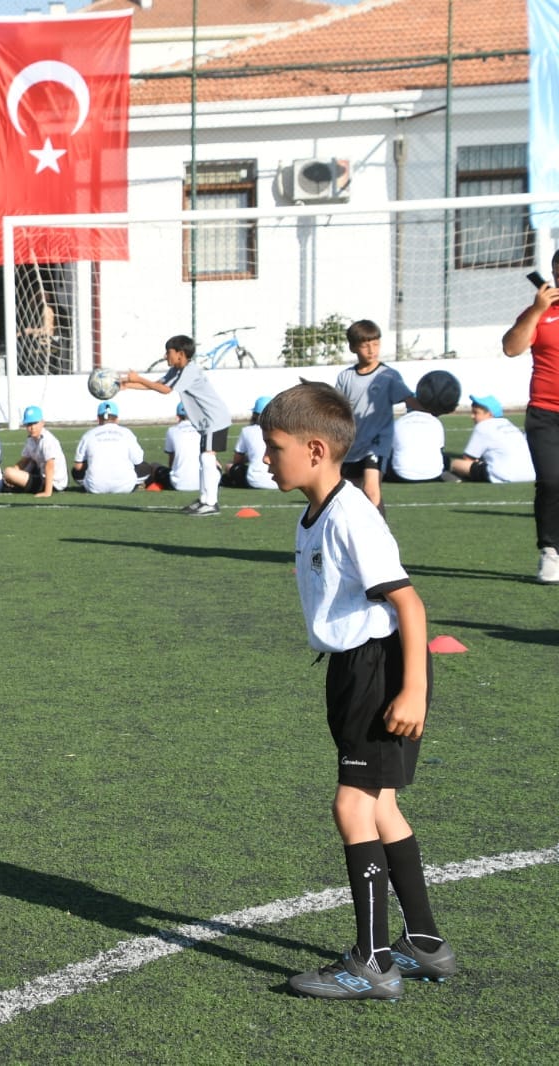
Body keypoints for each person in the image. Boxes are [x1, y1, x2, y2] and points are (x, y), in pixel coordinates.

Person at [258, 381, 455, 1001]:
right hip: (357, 669)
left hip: (379, 670)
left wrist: (413, 689)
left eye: (274, 446)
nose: (265, 458)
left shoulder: (351, 516)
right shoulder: (314, 510)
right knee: (381, 806)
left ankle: (373, 962)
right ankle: (423, 944)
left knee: (351, 806)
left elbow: (409, 602)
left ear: (315, 449)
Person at [119, 335, 231, 514]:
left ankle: (211, 502)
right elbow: (158, 384)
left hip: (214, 419)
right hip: (206, 422)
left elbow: (165, 390)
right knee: (204, 458)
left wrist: (138, 378)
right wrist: (128, 385)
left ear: (180, 354)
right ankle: (204, 500)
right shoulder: (178, 370)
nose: (165, 356)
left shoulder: (190, 370)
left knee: (207, 458)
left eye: (168, 352)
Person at [500, 257, 559, 583]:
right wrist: (537, 311)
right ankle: (550, 550)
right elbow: (511, 348)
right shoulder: (540, 311)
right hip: (545, 413)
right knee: (551, 481)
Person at [333, 319, 418, 511]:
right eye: (365, 345)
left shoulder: (388, 375)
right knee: (348, 495)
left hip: (378, 443)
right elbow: (337, 409)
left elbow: (409, 399)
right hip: (352, 443)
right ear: (353, 347)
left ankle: (382, 537)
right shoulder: (345, 377)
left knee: (372, 490)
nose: (371, 350)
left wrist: (429, 407)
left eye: (375, 344)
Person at [448, 395, 536, 483]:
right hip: (532, 474)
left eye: (475, 412)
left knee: (456, 464)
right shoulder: (508, 423)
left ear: (489, 414)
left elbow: (468, 459)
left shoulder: (483, 426)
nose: (472, 416)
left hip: (505, 475)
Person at [73, 401, 150, 494]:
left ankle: (90, 483)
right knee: (146, 467)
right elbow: (138, 461)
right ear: (117, 419)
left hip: (94, 487)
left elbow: (78, 466)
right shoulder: (127, 433)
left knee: (75, 471)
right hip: (125, 487)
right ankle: (137, 483)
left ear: (98, 418)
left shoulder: (88, 435)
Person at [2, 405, 67, 497]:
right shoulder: (31, 440)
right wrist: (11, 473)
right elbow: (24, 461)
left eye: (35, 423)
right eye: (29, 424)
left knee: (9, 472)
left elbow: (50, 466)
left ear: (42, 423)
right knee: (11, 472)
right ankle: (12, 482)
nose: (32, 427)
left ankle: (15, 484)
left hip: (53, 483)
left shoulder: (47, 440)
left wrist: (47, 492)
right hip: (41, 475)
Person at [223, 396, 280, 489]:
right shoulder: (283, 430)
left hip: (255, 480)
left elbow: (237, 460)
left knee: (230, 467)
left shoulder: (247, 431)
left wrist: (250, 457)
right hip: (280, 480)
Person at [385, 401, 447, 485]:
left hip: (401, 476)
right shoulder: (436, 422)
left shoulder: (398, 422)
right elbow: (441, 449)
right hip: (434, 475)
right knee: (445, 458)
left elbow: (390, 449)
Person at [148, 404, 203, 492]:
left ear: (177, 416)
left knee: (154, 466)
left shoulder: (172, 430)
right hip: (203, 482)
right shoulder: (202, 430)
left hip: (178, 484)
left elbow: (171, 459)